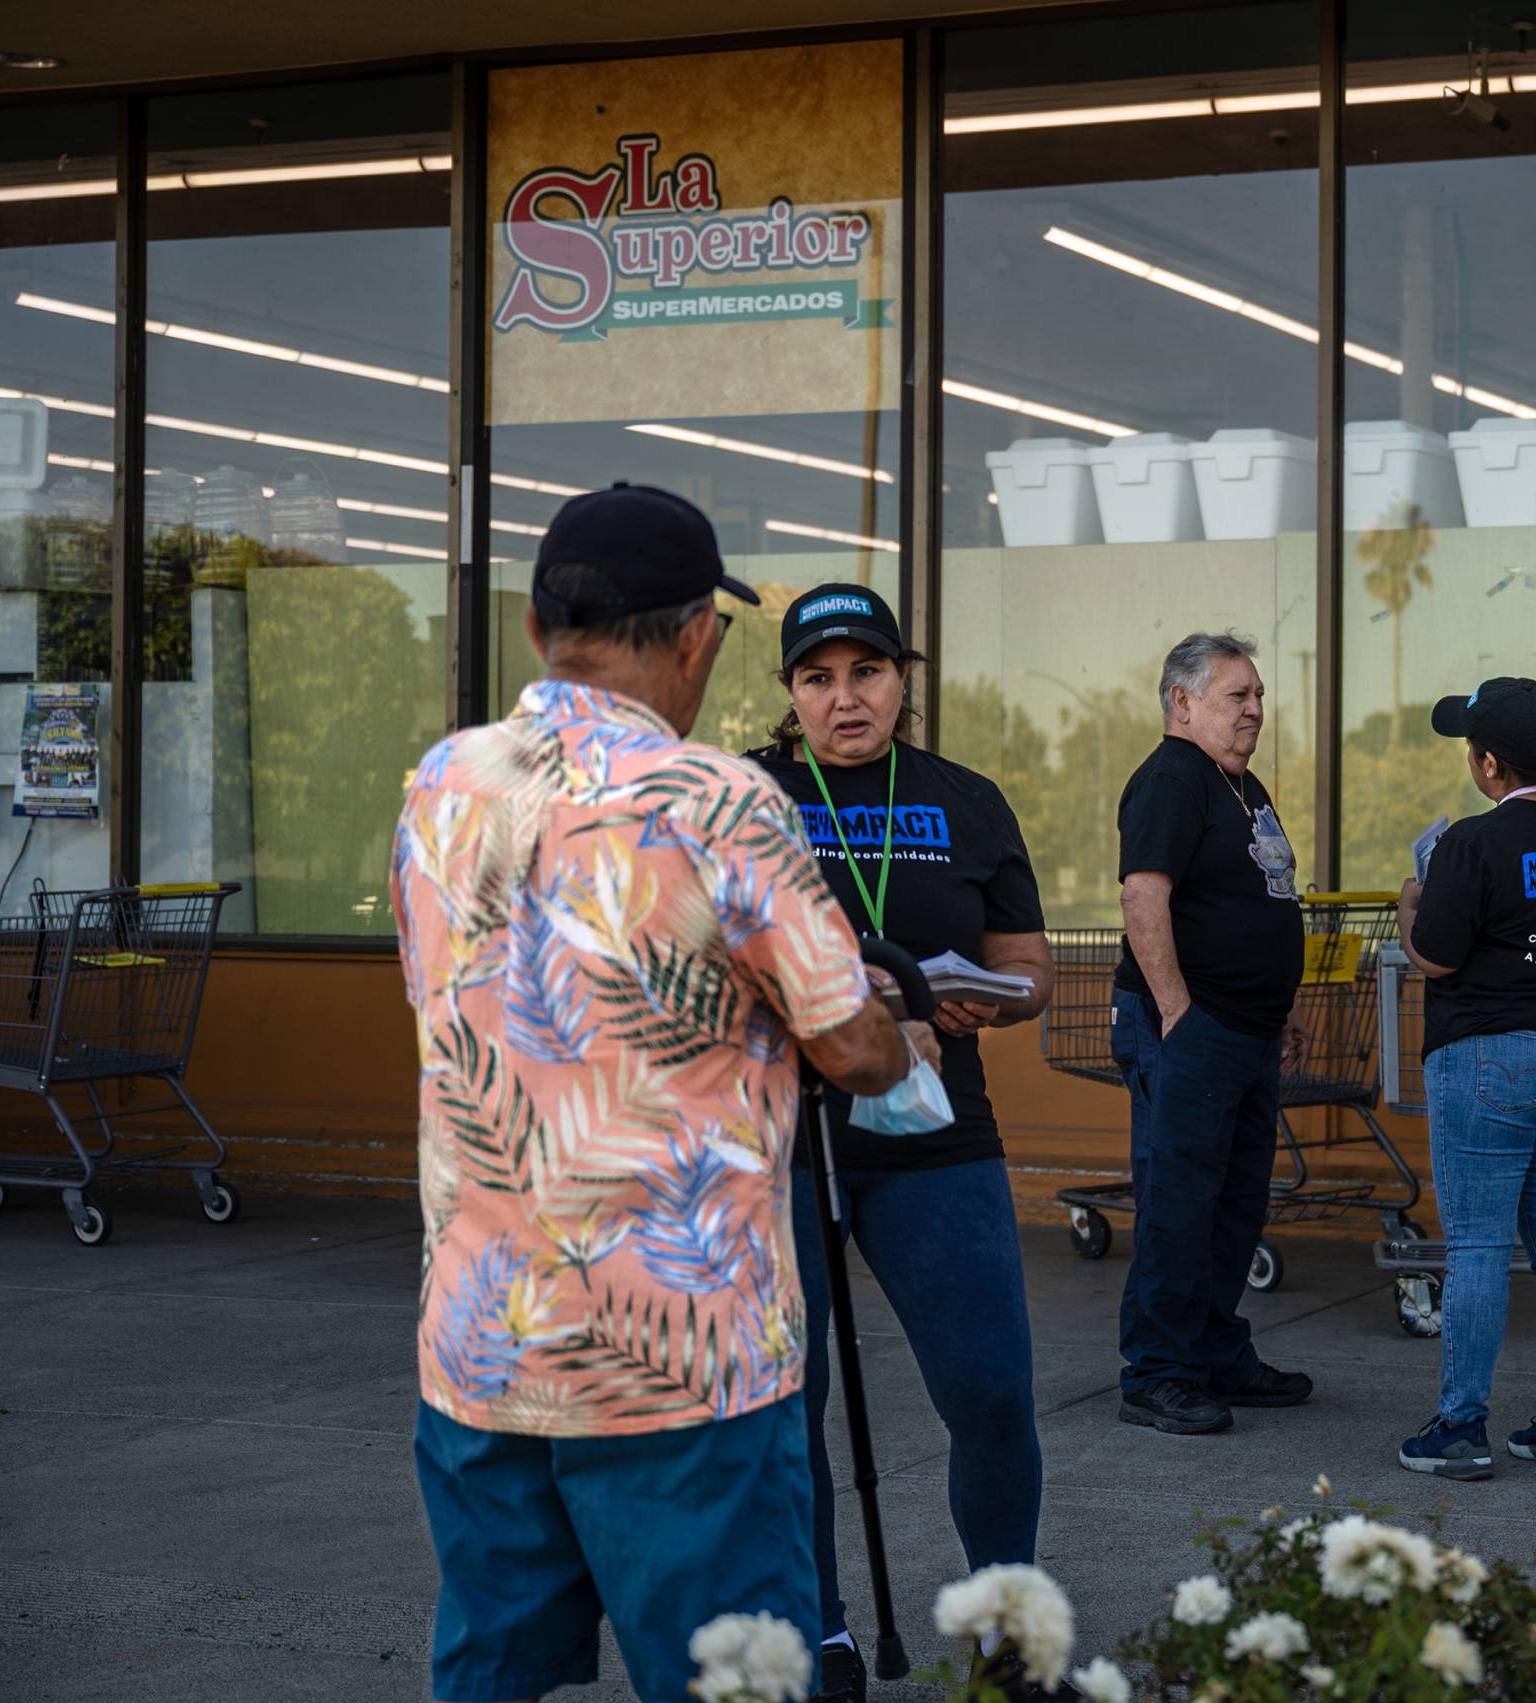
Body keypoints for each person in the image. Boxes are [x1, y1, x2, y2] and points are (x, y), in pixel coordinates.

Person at [391, 484, 938, 1703]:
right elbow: (847, 1044)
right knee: (731, 1679)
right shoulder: (716, 800)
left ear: (539, 626)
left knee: (490, 1676)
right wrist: (904, 1041)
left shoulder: (440, 786)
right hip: (679, 1362)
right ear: (699, 636)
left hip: (483, 1350)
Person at [741, 583, 1058, 1703]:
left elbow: (1028, 969)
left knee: (990, 1394)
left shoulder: (966, 800)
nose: (845, 697)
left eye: (865, 672)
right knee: (789, 1404)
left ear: (902, 679)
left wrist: (987, 999)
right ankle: (816, 1633)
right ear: (790, 692)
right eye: (818, 677)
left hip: (935, 1130)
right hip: (774, 1140)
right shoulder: (746, 795)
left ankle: (1012, 1630)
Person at [1393, 678, 1536, 1480]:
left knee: (1480, 1245)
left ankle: (1460, 1426)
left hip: (1492, 1057)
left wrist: (1409, 903)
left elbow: (1436, 955)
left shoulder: (1472, 842)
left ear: (1488, 762)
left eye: (1471, 745)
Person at [1109, 632, 1313, 1436]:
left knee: (1235, 1203)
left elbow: (1256, 900)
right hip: (1191, 1029)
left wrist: (1279, 1003)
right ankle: (1156, 1371)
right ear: (1183, 702)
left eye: (1259, 695)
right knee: (1179, 1202)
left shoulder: (1239, 784)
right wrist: (1175, 1012)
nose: (1256, 710)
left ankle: (1213, 1349)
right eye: (1239, 696)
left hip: (1247, 1030)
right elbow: (1143, 898)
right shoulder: (1170, 778)